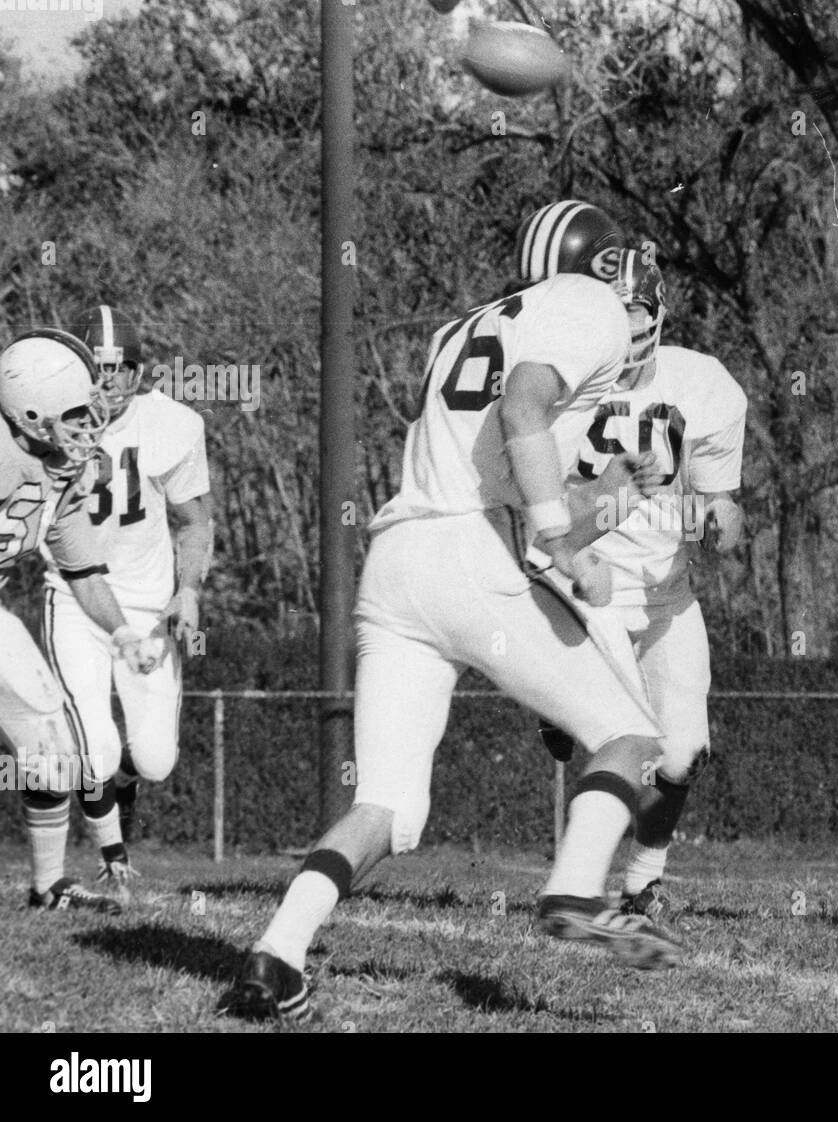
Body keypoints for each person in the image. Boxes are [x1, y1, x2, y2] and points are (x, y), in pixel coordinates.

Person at [219, 236, 683, 1022]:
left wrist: (613, 495)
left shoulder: (464, 330)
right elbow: (525, 410)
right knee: (633, 740)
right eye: (634, 297)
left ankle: (277, 954)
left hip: (398, 561)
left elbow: (527, 477)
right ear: (610, 276)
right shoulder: (585, 305)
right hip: (474, 554)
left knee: (389, 808)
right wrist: (563, 537)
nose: (637, 315)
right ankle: (573, 889)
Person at [537, 279, 747, 920]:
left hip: (667, 594)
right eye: (613, 316)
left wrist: (720, 526)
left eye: (634, 316)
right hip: (587, 583)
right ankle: (574, 886)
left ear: (658, 317)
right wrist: (594, 521)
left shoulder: (704, 384)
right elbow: (545, 502)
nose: (624, 332)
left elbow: (724, 507)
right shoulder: (563, 385)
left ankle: (642, 881)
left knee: (682, 753)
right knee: (623, 736)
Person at [40, 306, 212, 901]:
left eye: (123, 369)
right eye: (101, 369)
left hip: (146, 605)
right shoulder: (43, 422)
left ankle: (124, 790)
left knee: (157, 759)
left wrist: (187, 590)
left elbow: (194, 524)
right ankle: (113, 858)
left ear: (139, 374)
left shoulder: (175, 425)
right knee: (97, 745)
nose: (111, 382)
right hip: (75, 597)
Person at [0, 329, 161, 913]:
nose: (87, 425)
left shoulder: (65, 473)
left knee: (53, 746)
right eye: (72, 413)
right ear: (30, 411)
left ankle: (46, 887)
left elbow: (84, 571)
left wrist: (121, 634)